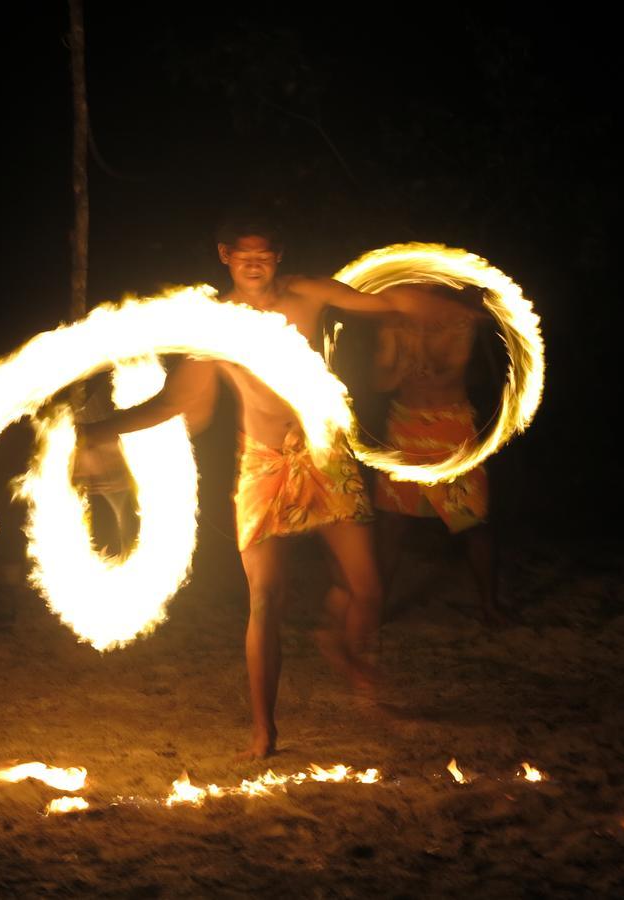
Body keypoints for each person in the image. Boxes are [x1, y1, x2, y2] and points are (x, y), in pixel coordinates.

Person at [78, 217, 414, 759]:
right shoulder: (216, 326)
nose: (254, 262)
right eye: (243, 254)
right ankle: (265, 730)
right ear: (224, 255)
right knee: (264, 598)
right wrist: (97, 431)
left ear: (279, 256)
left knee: (368, 585)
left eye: (264, 253)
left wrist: (442, 297)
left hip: (324, 455)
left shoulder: (306, 295)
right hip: (261, 464)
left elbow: (383, 305)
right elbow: (177, 405)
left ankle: (344, 649)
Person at [370, 282, 508, 623]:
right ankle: (376, 604)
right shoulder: (394, 322)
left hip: (452, 428)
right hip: (404, 425)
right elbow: (380, 382)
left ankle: (489, 604)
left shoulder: (459, 320)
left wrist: (423, 351)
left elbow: (452, 368)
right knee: (391, 523)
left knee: (472, 521)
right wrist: (398, 367)